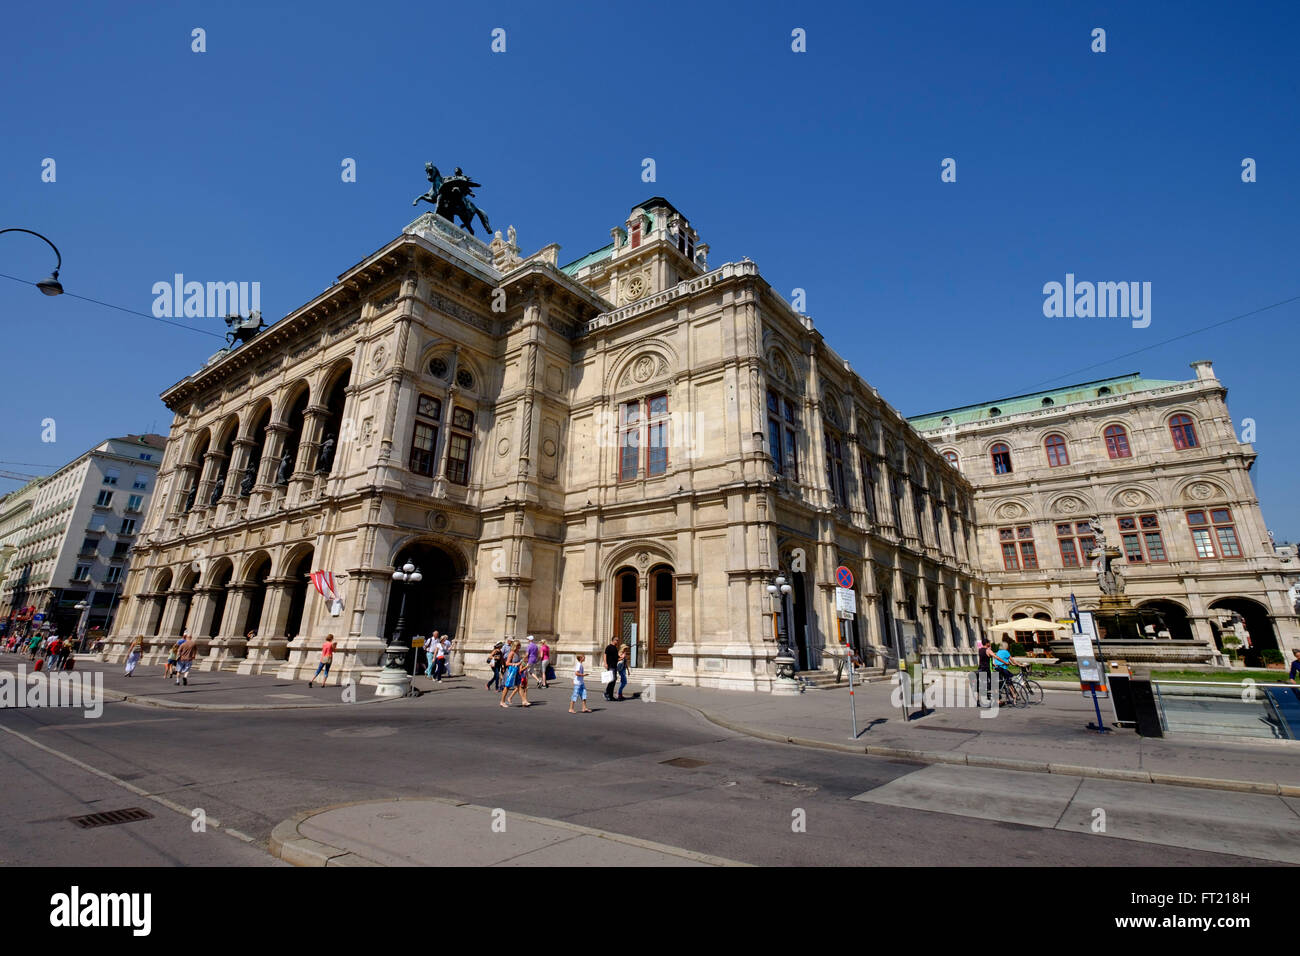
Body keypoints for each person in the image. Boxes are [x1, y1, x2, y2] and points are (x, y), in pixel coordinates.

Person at [500, 641, 527, 707]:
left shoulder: (517, 653)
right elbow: (507, 663)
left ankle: (524, 701)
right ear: (515, 646)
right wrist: (515, 664)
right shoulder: (511, 653)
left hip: (516, 671)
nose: (519, 647)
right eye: (518, 645)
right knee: (507, 687)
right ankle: (502, 701)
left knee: (519, 686)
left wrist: (522, 663)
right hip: (510, 672)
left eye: (519, 645)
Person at [604, 637, 620, 701]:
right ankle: (607, 693)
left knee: (613, 680)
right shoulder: (609, 647)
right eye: (617, 640)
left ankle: (610, 695)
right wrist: (605, 663)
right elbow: (605, 655)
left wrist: (622, 657)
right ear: (613, 640)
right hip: (610, 666)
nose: (617, 641)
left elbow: (616, 658)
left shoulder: (615, 648)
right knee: (612, 680)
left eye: (618, 640)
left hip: (614, 666)